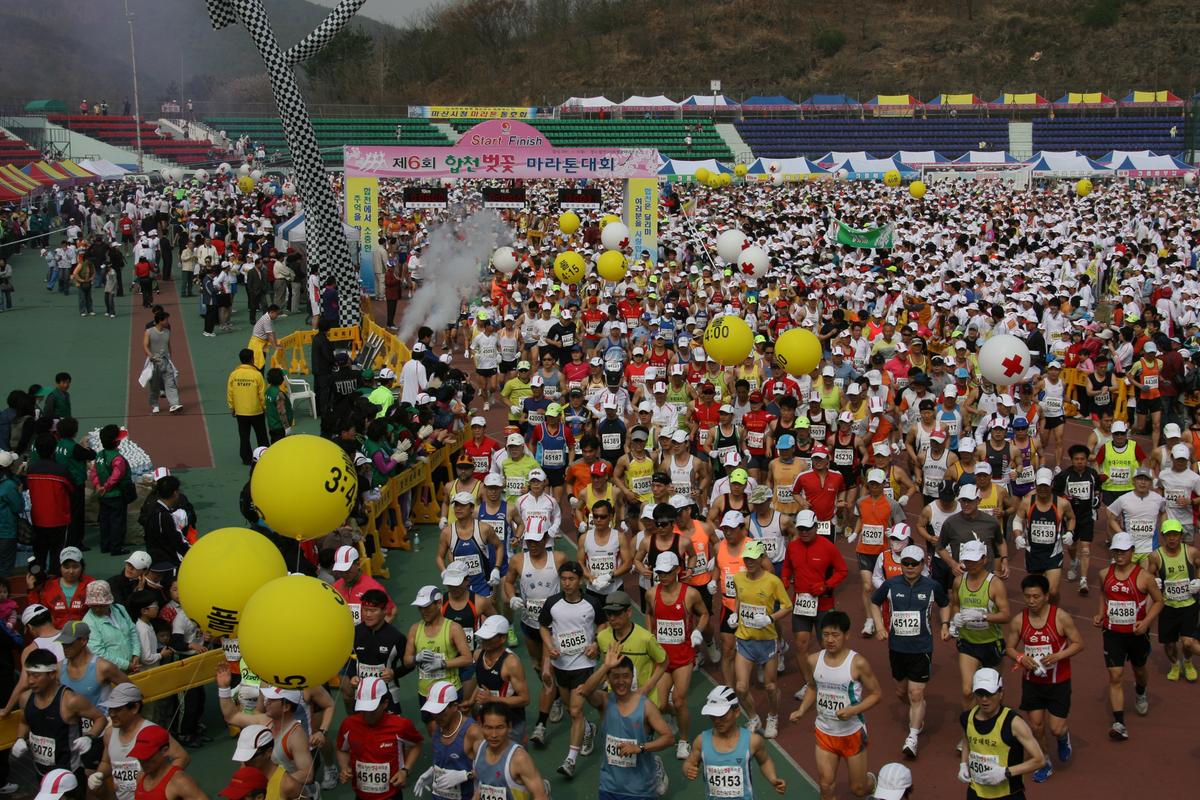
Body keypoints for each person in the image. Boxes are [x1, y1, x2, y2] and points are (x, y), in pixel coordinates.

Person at [788, 610, 882, 800]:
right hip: (824, 732)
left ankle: (871, 781)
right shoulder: (813, 660)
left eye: (835, 635)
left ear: (846, 635)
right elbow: (813, 688)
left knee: (858, 789)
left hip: (852, 733)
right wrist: (802, 710)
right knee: (825, 785)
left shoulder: (858, 663)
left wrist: (853, 710)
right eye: (826, 634)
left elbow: (876, 694)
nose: (830, 640)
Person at [870, 544, 950, 759]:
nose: (909, 567)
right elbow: (874, 603)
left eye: (914, 563)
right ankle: (918, 708)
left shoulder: (933, 586)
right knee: (901, 692)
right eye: (905, 563)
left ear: (922, 564)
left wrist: (945, 625)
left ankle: (913, 736)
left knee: (916, 693)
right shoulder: (890, 584)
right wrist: (879, 627)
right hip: (897, 648)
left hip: (922, 647)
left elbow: (945, 604)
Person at [1004, 574, 1083, 784]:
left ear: (1046, 596)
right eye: (1027, 596)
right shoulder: (1019, 620)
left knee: (1056, 728)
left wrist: (1058, 656)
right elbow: (1009, 647)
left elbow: (1078, 643)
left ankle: (1063, 737)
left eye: (1036, 596)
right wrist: (1021, 657)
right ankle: (1045, 762)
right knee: (1036, 726)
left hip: (1059, 682)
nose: (1031, 601)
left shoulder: (1061, 617)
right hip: (1033, 682)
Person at [578, 644, 674, 800]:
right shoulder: (604, 701)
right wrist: (606, 666)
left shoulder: (646, 706)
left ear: (632, 678)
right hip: (609, 787)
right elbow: (585, 691)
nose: (620, 681)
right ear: (608, 679)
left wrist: (640, 748)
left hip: (639, 790)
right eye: (615, 676)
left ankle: (656, 765)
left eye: (625, 676)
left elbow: (668, 738)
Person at [538, 560, 606, 778]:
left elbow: (603, 626)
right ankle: (590, 726)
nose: (567, 583)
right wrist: (550, 647)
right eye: (564, 579)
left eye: (571, 579)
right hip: (561, 665)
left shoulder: (592, 603)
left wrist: (596, 643)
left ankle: (570, 760)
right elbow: (543, 627)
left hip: (584, 664)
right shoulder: (552, 603)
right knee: (571, 708)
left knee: (576, 711)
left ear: (580, 580)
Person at [1094, 531, 1164, 740]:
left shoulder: (1145, 577)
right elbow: (1103, 594)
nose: (1119, 555)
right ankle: (1119, 722)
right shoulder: (1104, 573)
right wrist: (1100, 613)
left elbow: (1159, 601)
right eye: (1116, 551)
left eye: (1123, 551)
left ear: (1132, 551)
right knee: (1115, 676)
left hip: (1136, 634)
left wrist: (1146, 622)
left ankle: (1141, 691)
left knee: (1139, 670)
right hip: (1113, 633)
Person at [12, 648, 107, 787]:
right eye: (28, 675)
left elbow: (100, 718)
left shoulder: (70, 701)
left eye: (36, 676)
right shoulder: (25, 698)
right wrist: (20, 738)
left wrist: (90, 737)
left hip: (69, 774)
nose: (31, 681)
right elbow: (24, 722)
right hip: (41, 773)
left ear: (51, 674)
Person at [645, 551, 709, 760]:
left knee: (680, 700)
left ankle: (683, 740)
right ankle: (674, 716)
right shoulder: (651, 594)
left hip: (683, 657)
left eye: (666, 572)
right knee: (661, 705)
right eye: (659, 572)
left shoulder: (690, 594)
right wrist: (649, 635)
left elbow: (705, 613)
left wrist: (698, 630)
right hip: (662, 659)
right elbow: (649, 613)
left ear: (677, 570)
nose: (662, 576)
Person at [948, 540, 1011, 737]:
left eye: (975, 561)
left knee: (991, 693)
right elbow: (955, 604)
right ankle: (971, 733)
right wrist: (954, 619)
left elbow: (1006, 615)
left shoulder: (995, 584)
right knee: (968, 691)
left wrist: (983, 616)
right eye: (967, 561)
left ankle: (994, 729)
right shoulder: (959, 581)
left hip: (991, 643)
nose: (971, 565)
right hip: (968, 643)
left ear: (984, 559)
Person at [731, 539, 792, 738]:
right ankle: (753, 717)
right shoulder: (739, 578)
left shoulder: (772, 581)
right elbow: (739, 598)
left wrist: (769, 618)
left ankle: (773, 716)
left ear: (761, 559)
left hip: (767, 642)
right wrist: (735, 613)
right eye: (747, 558)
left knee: (771, 686)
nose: (749, 562)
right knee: (740, 687)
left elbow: (787, 606)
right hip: (744, 640)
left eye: (753, 558)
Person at [682, 685, 787, 798]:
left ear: (736, 712)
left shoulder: (752, 741)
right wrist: (687, 769)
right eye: (713, 715)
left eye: (721, 715)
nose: (717, 721)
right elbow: (690, 762)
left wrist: (773, 778)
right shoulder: (701, 741)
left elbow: (765, 761)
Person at [957, 668, 1046, 799]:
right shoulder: (967, 718)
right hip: (976, 793)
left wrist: (1005, 772)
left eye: (989, 694)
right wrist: (963, 764)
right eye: (980, 694)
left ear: (1001, 693)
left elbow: (1039, 760)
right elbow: (967, 741)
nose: (984, 699)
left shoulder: (1014, 723)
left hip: (1008, 795)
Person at [90, 684, 190, 800]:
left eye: (117, 709)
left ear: (134, 708)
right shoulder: (109, 733)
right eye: (111, 709)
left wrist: (161, 783)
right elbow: (106, 762)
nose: (112, 714)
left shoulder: (152, 732)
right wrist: (99, 775)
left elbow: (182, 757)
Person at [334, 678, 424, 800]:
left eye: (372, 710)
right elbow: (341, 749)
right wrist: (344, 767)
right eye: (363, 709)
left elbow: (417, 744)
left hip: (391, 796)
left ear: (385, 703)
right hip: (361, 796)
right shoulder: (349, 724)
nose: (367, 714)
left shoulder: (401, 725)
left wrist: (405, 770)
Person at [402, 586, 471, 724]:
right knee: (433, 733)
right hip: (425, 692)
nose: (423, 611)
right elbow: (406, 661)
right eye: (420, 607)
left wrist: (442, 664)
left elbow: (468, 658)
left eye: (426, 607)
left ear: (438, 603)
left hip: (449, 692)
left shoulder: (453, 628)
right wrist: (416, 658)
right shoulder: (415, 629)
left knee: (452, 731)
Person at [1144, 518, 1200, 681]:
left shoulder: (1191, 552)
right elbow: (1148, 576)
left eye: (1175, 534)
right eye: (1169, 535)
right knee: (1169, 644)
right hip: (1168, 606)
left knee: (1188, 641)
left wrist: (1198, 580)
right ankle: (1175, 664)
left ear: (1181, 535)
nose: (1172, 538)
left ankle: (1188, 662)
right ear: (1163, 536)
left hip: (1189, 604)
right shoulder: (1156, 556)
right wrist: (1154, 582)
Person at [471, 615, 530, 743]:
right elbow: (480, 685)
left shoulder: (511, 663)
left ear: (502, 638)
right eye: (483, 636)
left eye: (489, 637)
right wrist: (470, 701)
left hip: (511, 725)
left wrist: (492, 699)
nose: (484, 640)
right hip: (486, 722)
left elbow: (525, 699)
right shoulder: (477, 655)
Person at [472, 702, 550, 800]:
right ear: (481, 726)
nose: (494, 735)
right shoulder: (478, 748)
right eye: (489, 728)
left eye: (500, 727)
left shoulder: (519, 758)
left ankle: (543, 786)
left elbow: (541, 797)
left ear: (509, 727)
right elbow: (481, 786)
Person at [421, 680, 483, 800]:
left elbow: (492, 769)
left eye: (441, 711)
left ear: (454, 707)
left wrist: (466, 775)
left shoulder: (473, 732)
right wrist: (433, 771)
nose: (437, 716)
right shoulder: (436, 729)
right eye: (433, 711)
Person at [25, 435, 73, 575]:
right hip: (58, 519)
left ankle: (37, 582)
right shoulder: (61, 470)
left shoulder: (31, 470)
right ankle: (54, 582)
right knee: (57, 554)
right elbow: (71, 490)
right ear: (54, 449)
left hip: (38, 519)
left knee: (39, 554)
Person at [127, 725, 208, 800]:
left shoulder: (180, 781)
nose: (143, 761)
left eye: (148, 756)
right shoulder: (140, 777)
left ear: (164, 751)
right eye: (140, 755)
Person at [91, 425, 134, 556]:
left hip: (103, 496)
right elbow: (117, 475)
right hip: (116, 495)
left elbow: (94, 472)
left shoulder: (99, 455)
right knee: (117, 522)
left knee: (104, 521)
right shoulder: (117, 458)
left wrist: (98, 486)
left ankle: (105, 545)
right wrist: (107, 486)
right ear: (117, 441)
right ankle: (116, 547)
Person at [81, 581, 140, 673]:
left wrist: (136, 654)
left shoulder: (119, 609)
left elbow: (132, 631)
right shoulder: (88, 622)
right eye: (94, 605)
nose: (97, 609)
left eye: (102, 605)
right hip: (110, 672)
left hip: (132, 665)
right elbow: (98, 652)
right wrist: (126, 665)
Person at [227, 349, 268, 466]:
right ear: (252, 359)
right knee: (262, 435)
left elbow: (230, 393)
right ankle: (264, 455)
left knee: (244, 436)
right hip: (256, 411)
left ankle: (246, 458)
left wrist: (232, 407)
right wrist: (264, 407)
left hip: (241, 411)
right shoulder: (257, 375)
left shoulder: (234, 375)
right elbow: (262, 394)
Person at [144, 311, 182, 415]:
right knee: (154, 386)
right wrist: (151, 356)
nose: (167, 321)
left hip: (165, 361)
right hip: (154, 362)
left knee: (171, 382)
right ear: (160, 321)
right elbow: (145, 345)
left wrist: (170, 357)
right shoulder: (149, 332)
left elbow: (168, 344)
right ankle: (155, 404)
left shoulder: (167, 331)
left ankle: (174, 404)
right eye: (166, 319)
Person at [247, 306, 281, 370]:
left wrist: (276, 344)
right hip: (257, 345)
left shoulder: (269, 318)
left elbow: (273, 333)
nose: (277, 316)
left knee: (261, 364)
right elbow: (270, 335)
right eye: (277, 314)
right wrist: (275, 347)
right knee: (257, 365)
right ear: (272, 312)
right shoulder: (266, 320)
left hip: (261, 344)